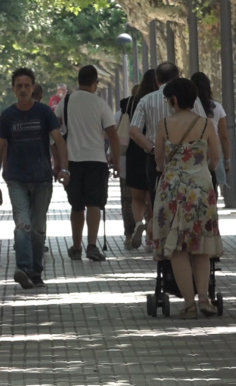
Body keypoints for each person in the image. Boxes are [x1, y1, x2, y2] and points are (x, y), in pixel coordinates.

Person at [0, 68, 69, 289]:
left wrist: (64, 169)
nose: (23, 89)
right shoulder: (7, 116)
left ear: (33, 87)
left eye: (27, 85)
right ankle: (23, 269)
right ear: (14, 89)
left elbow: (59, 141)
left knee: (37, 229)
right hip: (16, 179)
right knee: (22, 225)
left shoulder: (45, 113)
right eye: (19, 86)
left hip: (42, 179)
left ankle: (36, 271)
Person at [153, 79, 223, 319]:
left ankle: (189, 304)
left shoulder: (163, 125)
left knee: (178, 249)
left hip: (172, 190)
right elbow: (215, 159)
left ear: (173, 99)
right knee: (200, 246)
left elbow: (159, 161)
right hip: (201, 190)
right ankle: (204, 297)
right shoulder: (206, 124)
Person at [129, 62, 206, 252]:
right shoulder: (191, 100)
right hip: (188, 159)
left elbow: (133, 130)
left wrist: (152, 147)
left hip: (157, 159)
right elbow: (203, 125)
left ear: (156, 79)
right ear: (179, 75)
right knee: (186, 200)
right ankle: (184, 238)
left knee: (159, 201)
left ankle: (160, 239)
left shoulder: (146, 100)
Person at [55, 65, 120, 262]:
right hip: (96, 161)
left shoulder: (65, 102)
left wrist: (57, 159)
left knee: (76, 206)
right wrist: (116, 161)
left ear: (78, 81)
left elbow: (55, 129)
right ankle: (92, 246)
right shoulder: (100, 104)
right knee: (94, 204)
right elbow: (113, 136)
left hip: (72, 161)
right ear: (95, 83)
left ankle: (76, 248)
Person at [123, 70, 158, 250]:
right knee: (152, 196)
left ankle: (138, 224)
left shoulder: (130, 102)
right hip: (153, 151)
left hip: (134, 152)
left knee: (136, 197)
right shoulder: (160, 101)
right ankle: (151, 236)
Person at [191, 72, 231, 195]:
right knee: (211, 196)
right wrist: (226, 160)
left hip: (191, 156)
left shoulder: (189, 108)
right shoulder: (217, 107)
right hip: (211, 154)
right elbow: (224, 137)